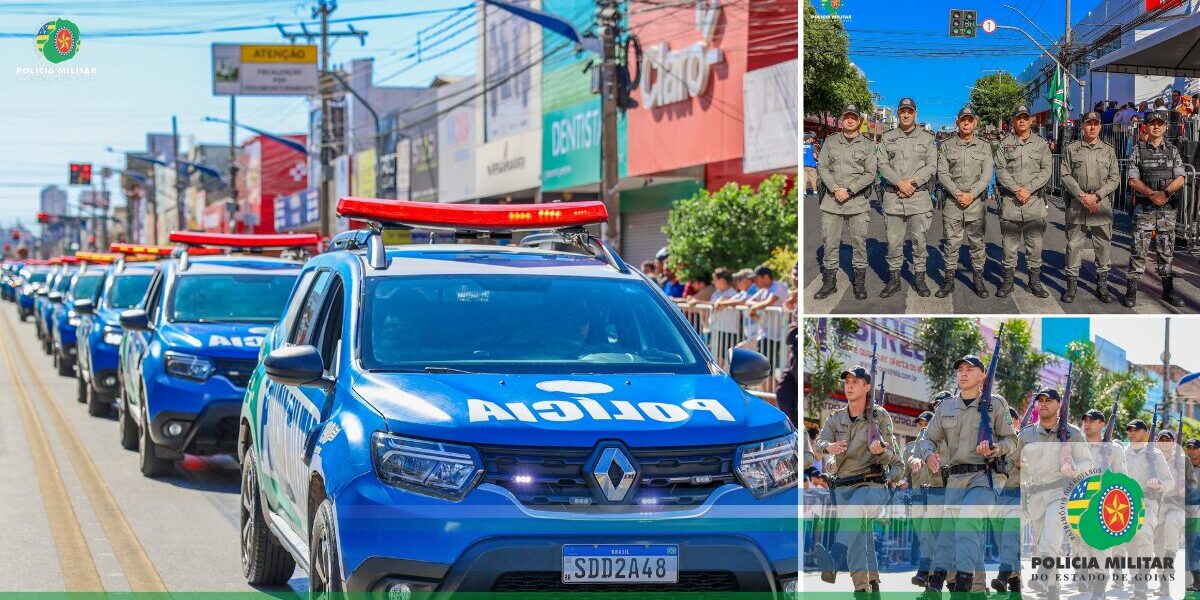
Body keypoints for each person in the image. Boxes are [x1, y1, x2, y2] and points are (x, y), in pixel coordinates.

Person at [916, 355, 1017, 595]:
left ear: (982, 376)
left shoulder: (996, 404)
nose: (963, 373)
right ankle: (967, 587)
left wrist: (995, 448)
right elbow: (928, 439)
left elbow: (1012, 440)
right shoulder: (946, 407)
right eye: (960, 369)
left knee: (967, 521)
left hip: (987, 476)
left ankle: (961, 583)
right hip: (956, 479)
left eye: (970, 369)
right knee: (954, 533)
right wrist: (929, 455)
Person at [814, 366, 899, 593]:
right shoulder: (836, 418)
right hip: (844, 486)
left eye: (855, 382)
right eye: (847, 382)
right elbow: (819, 444)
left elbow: (893, 457)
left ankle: (834, 557)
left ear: (867, 387)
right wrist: (829, 447)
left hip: (871, 485)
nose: (849, 386)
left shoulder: (879, 417)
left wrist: (880, 450)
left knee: (855, 513)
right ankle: (865, 589)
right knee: (857, 542)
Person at [1013, 389, 1092, 597]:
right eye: (1040, 400)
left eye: (1049, 400)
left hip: (1061, 493)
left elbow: (1086, 461)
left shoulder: (1073, 433)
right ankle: (1053, 585)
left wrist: (1074, 469)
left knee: (1053, 525)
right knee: (1045, 541)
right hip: (1035, 496)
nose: (1043, 404)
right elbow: (1013, 462)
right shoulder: (1027, 435)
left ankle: (1043, 573)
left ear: (1059, 405)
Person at [1124, 109, 1188, 308]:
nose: (1156, 127)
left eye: (1160, 123)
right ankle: (1131, 290)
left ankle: (1168, 291)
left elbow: (1181, 178)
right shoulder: (1138, 150)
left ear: (1165, 127)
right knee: (1138, 250)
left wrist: (1165, 193)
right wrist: (1152, 194)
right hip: (1144, 209)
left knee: (1166, 251)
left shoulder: (1173, 151)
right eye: (1152, 123)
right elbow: (1132, 180)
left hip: (1167, 210)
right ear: (1146, 127)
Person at [815, 104, 878, 301]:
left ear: (859, 121)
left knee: (859, 243)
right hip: (832, 201)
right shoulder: (831, 141)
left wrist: (849, 190)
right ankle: (830, 282)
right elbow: (822, 167)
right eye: (846, 117)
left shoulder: (868, 145)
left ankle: (859, 282)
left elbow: (871, 173)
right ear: (842, 119)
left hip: (857, 202)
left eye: (854, 117)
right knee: (830, 242)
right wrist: (836, 189)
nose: (850, 120)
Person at [876, 97, 937, 298]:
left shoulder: (927, 138)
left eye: (909, 111)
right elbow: (882, 164)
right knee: (894, 242)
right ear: (898, 113)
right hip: (894, 197)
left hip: (918, 197)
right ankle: (894, 280)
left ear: (915, 113)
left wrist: (912, 184)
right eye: (903, 111)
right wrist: (899, 183)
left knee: (919, 241)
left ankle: (919, 278)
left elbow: (931, 166)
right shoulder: (888, 138)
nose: (906, 114)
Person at [1060, 111, 1121, 303]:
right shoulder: (1072, 148)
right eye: (1089, 123)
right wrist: (1081, 195)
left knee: (1103, 244)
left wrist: (1096, 196)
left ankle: (1102, 285)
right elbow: (1065, 175)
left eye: (1096, 123)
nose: (1092, 127)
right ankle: (1071, 286)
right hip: (1077, 202)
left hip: (1100, 203)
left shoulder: (1108, 150)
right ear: (1082, 126)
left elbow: (1115, 178)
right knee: (1074, 245)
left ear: (1100, 127)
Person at [993, 105, 1053, 299]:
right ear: (1014, 121)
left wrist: (1028, 189)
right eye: (1018, 118)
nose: (1022, 121)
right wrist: (1016, 189)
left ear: (1031, 121)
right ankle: (1008, 281)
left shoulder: (1041, 143)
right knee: (1009, 245)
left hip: (1034, 201)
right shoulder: (1006, 143)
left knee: (1035, 245)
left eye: (1025, 118)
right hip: (1011, 202)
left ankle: (1033, 282)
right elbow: (1000, 169)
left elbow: (1046, 170)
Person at [936, 105, 994, 299]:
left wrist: (971, 194)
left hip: (975, 203)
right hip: (953, 202)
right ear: (957, 122)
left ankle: (978, 279)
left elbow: (986, 176)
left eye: (970, 120)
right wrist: (957, 193)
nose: (966, 123)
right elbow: (942, 173)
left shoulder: (984, 146)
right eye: (963, 120)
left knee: (977, 244)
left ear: (975, 122)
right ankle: (948, 281)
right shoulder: (946, 146)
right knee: (951, 243)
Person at [1122, 419, 1174, 600]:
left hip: (1148, 502)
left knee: (1144, 536)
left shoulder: (1155, 454)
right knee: (1130, 543)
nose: (1131, 433)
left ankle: (1142, 583)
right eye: (1129, 430)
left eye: (1135, 430)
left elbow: (1169, 481)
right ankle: (1136, 577)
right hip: (1125, 504)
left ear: (1145, 433)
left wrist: (1159, 484)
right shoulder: (1122, 453)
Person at [1079, 408, 1127, 600]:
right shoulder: (1076, 446)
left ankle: (1099, 590)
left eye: (1092, 420)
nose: (1087, 423)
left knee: (1101, 547)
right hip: (1080, 505)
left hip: (1105, 504)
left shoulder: (1114, 450)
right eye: (1085, 420)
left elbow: (1122, 478)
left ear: (1102, 424)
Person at [989, 405, 1024, 594]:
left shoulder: (1022, 441)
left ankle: (1003, 575)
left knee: (1010, 536)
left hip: (1015, 496)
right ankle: (1014, 580)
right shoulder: (994, 443)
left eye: (1009, 420)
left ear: (1016, 422)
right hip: (997, 498)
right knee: (1001, 541)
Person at [1155, 430, 1186, 599]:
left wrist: (1185, 488)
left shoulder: (1182, 461)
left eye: (1168, 439)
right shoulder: (1151, 459)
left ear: (1174, 442)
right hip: (1156, 508)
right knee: (1158, 547)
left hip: (1176, 506)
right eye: (1162, 439)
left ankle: (1171, 556)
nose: (1165, 442)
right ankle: (1163, 584)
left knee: (1171, 522)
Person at [1184, 438, 1200, 592]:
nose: (1192, 451)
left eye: (1195, 448)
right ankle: (1197, 582)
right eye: (1189, 448)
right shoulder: (1184, 466)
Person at [804, 131, 820, 196]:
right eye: (811, 139)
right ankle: (815, 193)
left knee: (804, 180)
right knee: (813, 180)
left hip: (803, 166)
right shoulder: (811, 146)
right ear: (809, 139)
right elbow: (815, 156)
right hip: (811, 165)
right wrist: (817, 156)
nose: (812, 140)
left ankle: (804, 193)